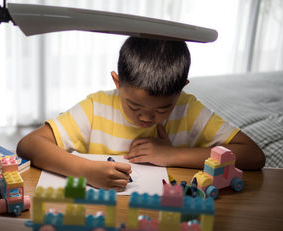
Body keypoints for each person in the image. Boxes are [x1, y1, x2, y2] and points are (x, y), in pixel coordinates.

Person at [17, 37, 265, 191]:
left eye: (163, 109)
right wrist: (85, 170)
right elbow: (29, 144)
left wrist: (172, 155)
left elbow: (253, 156)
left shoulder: (188, 109)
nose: (146, 118)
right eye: (134, 107)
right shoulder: (96, 107)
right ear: (117, 82)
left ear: (181, 90)